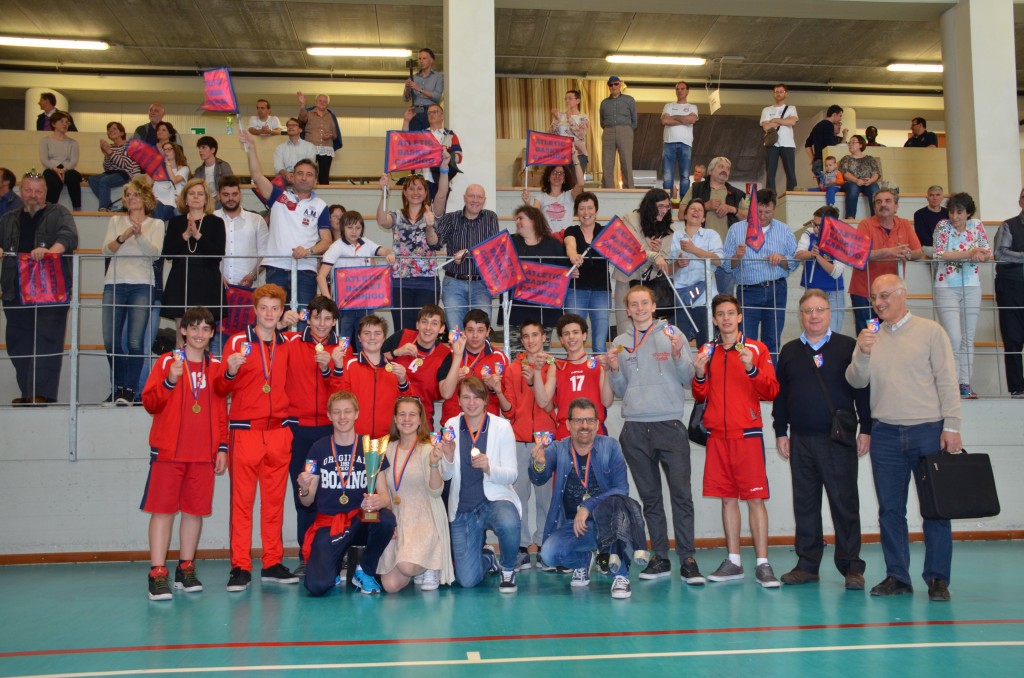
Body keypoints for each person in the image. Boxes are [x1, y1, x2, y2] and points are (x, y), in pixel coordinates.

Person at [846, 274, 962, 601]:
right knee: (890, 510)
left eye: (884, 295)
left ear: (903, 294)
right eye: (874, 297)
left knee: (936, 509)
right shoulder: (869, 336)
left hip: (928, 431)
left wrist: (952, 426)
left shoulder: (931, 331)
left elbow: (947, 380)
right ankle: (898, 576)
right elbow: (855, 381)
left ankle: (938, 579)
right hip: (884, 434)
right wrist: (863, 353)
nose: (878, 302)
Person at [772, 289, 871, 589]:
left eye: (820, 310)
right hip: (801, 440)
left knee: (845, 504)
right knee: (805, 505)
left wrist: (866, 428)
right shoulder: (789, 351)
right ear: (800, 315)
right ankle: (807, 565)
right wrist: (781, 431)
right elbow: (781, 396)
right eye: (808, 311)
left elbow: (862, 390)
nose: (814, 316)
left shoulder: (847, 346)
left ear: (829, 313)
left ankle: (852, 568)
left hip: (838, 441)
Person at [606, 286, 704, 585]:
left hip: (669, 425)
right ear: (627, 309)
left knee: (682, 496)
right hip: (635, 428)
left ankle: (687, 558)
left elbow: (689, 378)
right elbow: (621, 390)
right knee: (650, 498)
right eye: (633, 304)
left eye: (644, 303)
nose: (639, 308)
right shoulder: (620, 343)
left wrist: (677, 355)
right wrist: (614, 371)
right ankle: (660, 556)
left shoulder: (672, 334)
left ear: (653, 305)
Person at [691, 293, 781, 587]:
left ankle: (763, 563)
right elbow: (700, 394)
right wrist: (699, 374)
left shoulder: (756, 348)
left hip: (747, 434)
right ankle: (734, 561)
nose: (726, 318)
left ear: (740, 317)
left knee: (755, 499)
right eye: (721, 314)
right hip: (718, 436)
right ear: (715, 319)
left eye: (731, 313)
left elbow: (771, 391)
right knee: (728, 498)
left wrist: (752, 369)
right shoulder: (708, 350)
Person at [216, 283, 301, 591]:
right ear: (255, 310)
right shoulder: (237, 342)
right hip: (245, 432)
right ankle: (240, 566)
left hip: (278, 432)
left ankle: (272, 562)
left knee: (274, 504)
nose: (268, 313)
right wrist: (229, 372)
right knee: (242, 504)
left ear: (281, 312)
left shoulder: (287, 343)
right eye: (263, 308)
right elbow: (220, 390)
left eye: (274, 309)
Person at [139, 307, 228, 600]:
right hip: (169, 451)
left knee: (194, 511)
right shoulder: (167, 362)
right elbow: (150, 403)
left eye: (206, 329)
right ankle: (157, 572)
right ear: (183, 331)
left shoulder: (215, 367)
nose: (200, 334)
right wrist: (169, 381)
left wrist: (222, 447)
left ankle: (186, 567)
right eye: (194, 328)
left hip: (203, 453)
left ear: (212, 333)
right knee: (163, 511)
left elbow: (221, 411)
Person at [530, 397, 648, 599]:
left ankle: (621, 576)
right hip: (574, 527)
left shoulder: (610, 446)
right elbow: (538, 478)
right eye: (578, 420)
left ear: (597, 423)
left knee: (622, 515)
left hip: (608, 523)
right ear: (568, 424)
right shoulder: (558, 448)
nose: (584, 426)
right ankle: (583, 560)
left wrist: (588, 506)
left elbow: (622, 489)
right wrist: (539, 464)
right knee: (548, 555)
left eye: (590, 420)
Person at [296, 390, 396, 596]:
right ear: (329, 415)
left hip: (360, 521)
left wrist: (377, 501)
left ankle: (365, 570)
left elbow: (386, 497)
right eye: (337, 412)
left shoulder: (370, 448)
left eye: (347, 411)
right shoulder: (318, 449)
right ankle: (332, 569)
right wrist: (304, 488)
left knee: (386, 519)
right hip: (329, 524)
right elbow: (307, 502)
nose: (342, 417)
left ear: (356, 414)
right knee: (316, 586)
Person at [0, 173, 79, 404]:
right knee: (18, 344)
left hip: (50, 291)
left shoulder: (60, 213)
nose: (33, 196)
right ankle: (28, 394)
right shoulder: (8, 218)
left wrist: (51, 251)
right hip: (15, 290)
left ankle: (41, 395)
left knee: (47, 341)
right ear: (20, 191)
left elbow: (69, 237)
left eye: (38, 191)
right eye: (28, 190)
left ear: (45, 193)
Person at [439, 376, 522, 592]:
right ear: (458, 401)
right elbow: (446, 475)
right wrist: (448, 457)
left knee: (509, 522)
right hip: (463, 508)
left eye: (477, 397)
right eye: (466, 397)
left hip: (494, 501)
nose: (471, 402)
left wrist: (489, 468)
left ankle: (507, 568)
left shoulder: (502, 426)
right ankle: (489, 559)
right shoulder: (450, 425)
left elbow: (512, 475)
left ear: (485, 400)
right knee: (467, 581)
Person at [283, 295, 344, 577]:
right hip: (298, 429)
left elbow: (344, 393)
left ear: (334, 322)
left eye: (327, 318)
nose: (321, 323)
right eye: (317, 316)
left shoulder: (342, 349)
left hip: (330, 430)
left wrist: (329, 368)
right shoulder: (290, 342)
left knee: (335, 494)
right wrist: (280, 323)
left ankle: (337, 554)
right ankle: (306, 557)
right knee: (304, 493)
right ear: (308, 317)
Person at [239, 130, 331, 308]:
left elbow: (327, 240)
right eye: (300, 173)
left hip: (306, 270)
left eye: (309, 174)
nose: (304, 178)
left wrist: (309, 251)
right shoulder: (278, 196)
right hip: (276, 268)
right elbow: (257, 176)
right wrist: (251, 148)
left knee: (303, 318)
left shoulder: (320, 205)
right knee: (273, 317)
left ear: (316, 181)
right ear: (292, 176)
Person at [378, 396, 455, 592]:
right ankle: (417, 565)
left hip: (424, 518)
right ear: (395, 419)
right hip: (398, 518)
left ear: (420, 420)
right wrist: (389, 521)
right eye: (402, 414)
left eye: (412, 414)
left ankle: (430, 565)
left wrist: (434, 464)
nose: (407, 419)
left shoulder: (428, 448)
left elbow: (436, 491)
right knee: (390, 586)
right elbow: (383, 492)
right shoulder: (386, 449)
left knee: (406, 566)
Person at [500, 319, 558, 570]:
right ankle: (522, 546)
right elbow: (509, 411)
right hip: (519, 440)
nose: (531, 340)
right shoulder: (513, 369)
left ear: (544, 337)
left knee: (546, 497)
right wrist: (498, 391)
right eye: (526, 336)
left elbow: (549, 403)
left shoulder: (553, 365)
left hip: (546, 441)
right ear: (521, 340)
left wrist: (535, 377)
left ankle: (544, 543)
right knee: (519, 496)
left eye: (535, 335)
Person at [101, 178, 164, 404]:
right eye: (127, 195)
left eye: (135, 194)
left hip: (142, 285)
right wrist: (123, 237)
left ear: (145, 198)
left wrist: (138, 236)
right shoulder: (116, 220)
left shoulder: (156, 224)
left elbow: (155, 254)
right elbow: (106, 250)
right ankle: (119, 386)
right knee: (111, 341)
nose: (130, 198)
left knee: (135, 342)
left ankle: (129, 389)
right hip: (114, 283)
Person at [722, 188, 799, 355]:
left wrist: (781, 259)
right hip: (748, 291)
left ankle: (770, 372)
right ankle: (747, 372)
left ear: (774, 209)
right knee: (745, 340)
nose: (763, 216)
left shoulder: (784, 230)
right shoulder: (736, 229)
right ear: (752, 209)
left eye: (767, 212)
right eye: (759, 212)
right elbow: (727, 265)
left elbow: (794, 262)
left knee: (772, 340)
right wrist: (737, 256)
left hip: (776, 290)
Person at [932, 192, 991, 399]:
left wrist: (981, 255)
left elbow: (986, 250)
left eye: (959, 212)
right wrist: (969, 253)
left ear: (968, 213)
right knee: (954, 338)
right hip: (946, 286)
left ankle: (964, 384)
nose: (954, 216)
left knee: (968, 337)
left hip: (972, 286)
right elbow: (939, 253)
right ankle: (951, 383)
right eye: (951, 211)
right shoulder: (943, 226)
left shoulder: (977, 225)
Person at [427, 173, 498, 334]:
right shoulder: (451, 218)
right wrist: (429, 227)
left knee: (480, 333)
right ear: (464, 198)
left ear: (484, 200)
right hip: (454, 284)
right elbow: (435, 244)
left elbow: (493, 249)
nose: (475, 200)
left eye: (479, 197)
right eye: (471, 196)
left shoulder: (490, 217)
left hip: (481, 284)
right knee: (456, 333)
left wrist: (468, 252)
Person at [848, 188, 924, 333]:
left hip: (893, 294)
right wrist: (890, 251)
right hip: (867, 294)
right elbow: (858, 254)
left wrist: (908, 254)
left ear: (896, 206)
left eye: (887, 201)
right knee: (872, 335)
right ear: (874, 207)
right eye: (879, 202)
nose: (883, 204)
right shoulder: (865, 224)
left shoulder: (905, 224)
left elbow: (918, 252)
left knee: (894, 334)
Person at [316, 211, 396, 345]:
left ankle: (363, 359)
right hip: (344, 305)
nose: (354, 231)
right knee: (343, 340)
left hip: (365, 303)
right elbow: (321, 276)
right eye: (350, 227)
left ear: (362, 229)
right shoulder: (336, 247)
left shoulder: (366, 243)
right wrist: (329, 302)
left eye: (358, 228)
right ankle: (343, 359)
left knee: (365, 340)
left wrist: (390, 253)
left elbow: (385, 250)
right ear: (342, 228)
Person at [376, 173, 441, 333]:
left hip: (427, 280)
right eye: (411, 188)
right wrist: (384, 192)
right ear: (405, 192)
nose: (415, 192)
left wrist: (429, 225)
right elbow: (382, 221)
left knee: (425, 330)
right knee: (403, 330)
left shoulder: (431, 215)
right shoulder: (397, 215)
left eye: (419, 188)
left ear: (425, 192)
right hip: (400, 280)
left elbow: (433, 243)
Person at [160, 179, 226, 331]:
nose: (196, 197)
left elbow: (218, 254)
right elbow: (168, 253)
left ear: (206, 199)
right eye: (191, 193)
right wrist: (185, 235)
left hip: (207, 280)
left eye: (200, 194)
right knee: (182, 332)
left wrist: (197, 235)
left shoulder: (216, 222)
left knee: (204, 332)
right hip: (181, 280)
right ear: (185, 198)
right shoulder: (176, 222)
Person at [535, 313, 614, 440]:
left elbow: (607, 401)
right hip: (566, 432)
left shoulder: (599, 364)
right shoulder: (557, 366)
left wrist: (607, 370)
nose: (571, 337)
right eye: (566, 334)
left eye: (575, 332)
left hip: (594, 431)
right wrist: (537, 371)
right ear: (561, 339)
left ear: (584, 335)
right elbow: (543, 402)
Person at [681, 156, 748, 294]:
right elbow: (682, 213)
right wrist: (705, 206)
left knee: (725, 298)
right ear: (710, 171)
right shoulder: (696, 189)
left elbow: (750, 218)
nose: (725, 170)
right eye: (721, 167)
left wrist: (732, 209)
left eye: (728, 169)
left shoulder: (736, 193)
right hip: (699, 253)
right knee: (698, 298)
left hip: (727, 255)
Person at [337, 315, 412, 438]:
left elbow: (407, 405)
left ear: (384, 338)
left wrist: (403, 381)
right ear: (359, 337)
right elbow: (339, 401)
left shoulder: (396, 370)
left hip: (388, 437)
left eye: (377, 333)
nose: (372, 338)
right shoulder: (349, 366)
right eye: (367, 333)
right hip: (355, 436)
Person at [381, 303, 452, 427]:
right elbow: (373, 361)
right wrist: (396, 352)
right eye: (424, 322)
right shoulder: (402, 336)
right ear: (417, 324)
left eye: (434, 323)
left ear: (442, 329)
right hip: (390, 415)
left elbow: (445, 394)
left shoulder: (445, 354)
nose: (428, 328)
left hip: (422, 419)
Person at [615, 188, 674, 334]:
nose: (664, 211)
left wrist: (658, 252)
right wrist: (653, 254)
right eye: (660, 206)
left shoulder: (668, 229)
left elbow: (663, 262)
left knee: (652, 331)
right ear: (650, 205)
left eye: (667, 207)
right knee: (626, 328)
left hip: (652, 284)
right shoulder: (631, 219)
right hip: (628, 280)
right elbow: (631, 250)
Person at [436, 309, 509, 424]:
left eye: (480, 330)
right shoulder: (449, 354)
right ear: (463, 331)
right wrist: (453, 379)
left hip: (487, 424)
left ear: (488, 332)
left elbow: (506, 401)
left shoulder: (499, 357)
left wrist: (493, 389)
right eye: (470, 330)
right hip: (453, 423)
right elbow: (442, 394)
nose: (475, 335)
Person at [507, 205, 568, 342]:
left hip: (545, 312)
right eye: (517, 219)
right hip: (517, 310)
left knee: (542, 352)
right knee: (517, 352)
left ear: (533, 220)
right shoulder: (510, 242)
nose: (517, 222)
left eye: (521, 218)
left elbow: (564, 271)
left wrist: (572, 272)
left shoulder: (553, 244)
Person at [669, 198, 723, 345]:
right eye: (692, 208)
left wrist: (694, 250)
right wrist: (677, 264)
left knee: (707, 344)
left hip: (705, 298)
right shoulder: (674, 237)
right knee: (678, 343)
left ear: (704, 218)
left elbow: (719, 260)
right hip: (680, 298)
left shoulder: (711, 235)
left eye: (700, 210)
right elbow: (667, 270)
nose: (696, 212)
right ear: (685, 215)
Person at [564, 191, 612, 353]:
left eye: (590, 208)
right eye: (582, 208)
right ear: (577, 212)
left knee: (600, 343)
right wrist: (573, 256)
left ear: (596, 211)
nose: (586, 212)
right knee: (573, 339)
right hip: (576, 290)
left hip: (602, 291)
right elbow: (570, 246)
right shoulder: (571, 230)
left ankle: (600, 369)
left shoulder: (606, 232)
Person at [795, 205, 847, 332]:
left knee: (833, 334)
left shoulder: (840, 240)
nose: (815, 228)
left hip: (833, 293)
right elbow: (798, 255)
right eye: (814, 224)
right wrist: (811, 254)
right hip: (811, 291)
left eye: (820, 225)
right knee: (811, 332)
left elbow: (836, 272)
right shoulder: (809, 233)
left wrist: (818, 257)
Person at [215, 175, 268, 294]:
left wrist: (252, 275)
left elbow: (265, 254)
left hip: (249, 289)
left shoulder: (256, 220)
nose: (230, 198)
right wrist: (216, 275)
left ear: (240, 194)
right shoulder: (211, 218)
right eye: (226, 194)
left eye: (234, 194)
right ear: (218, 195)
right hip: (216, 286)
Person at [996, 188, 1024, 399]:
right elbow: (1000, 254)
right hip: (1011, 287)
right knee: (1013, 338)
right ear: (1020, 201)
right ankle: (1017, 388)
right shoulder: (1008, 225)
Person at [402, 104, 462, 200]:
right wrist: (406, 121)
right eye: (429, 113)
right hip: (421, 180)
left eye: (435, 112)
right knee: (420, 209)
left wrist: (447, 156)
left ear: (442, 116)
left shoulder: (449, 135)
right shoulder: (421, 134)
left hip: (442, 180)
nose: (431, 114)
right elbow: (405, 145)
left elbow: (459, 157)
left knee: (439, 209)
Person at [520, 149, 585, 235]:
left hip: (567, 239)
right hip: (548, 239)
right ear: (548, 176)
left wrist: (575, 159)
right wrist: (527, 203)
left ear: (564, 179)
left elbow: (581, 183)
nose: (557, 175)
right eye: (554, 172)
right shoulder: (540, 198)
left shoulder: (569, 195)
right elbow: (534, 218)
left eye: (561, 173)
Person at [89, 121, 142, 211]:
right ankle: (109, 205)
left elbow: (124, 164)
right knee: (92, 179)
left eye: (114, 128)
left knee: (104, 181)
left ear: (122, 133)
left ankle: (103, 208)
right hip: (110, 173)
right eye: (109, 129)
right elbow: (107, 168)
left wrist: (110, 152)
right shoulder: (110, 147)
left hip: (124, 174)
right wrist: (106, 155)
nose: (111, 130)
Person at [660, 81, 699, 200]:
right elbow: (665, 121)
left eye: (682, 89)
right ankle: (666, 203)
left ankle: (684, 204)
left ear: (687, 91)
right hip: (669, 143)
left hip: (686, 143)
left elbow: (692, 120)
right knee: (667, 176)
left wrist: (674, 117)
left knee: (685, 176)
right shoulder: (668, 106)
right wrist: (684, 120)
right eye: (677, 89)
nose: (679, 91)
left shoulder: (693, 107)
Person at [296, 91, 342, 185]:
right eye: (320, 100)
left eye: (325, 101)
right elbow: (301, 119)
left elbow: (335, 134)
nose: (322, 102)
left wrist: (330, 135)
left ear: (327, 104)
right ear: (316, 102)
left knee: (324, 176)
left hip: (326, 148)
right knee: (308, 172)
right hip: (310, 147)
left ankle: (324, 193)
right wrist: (303, 105)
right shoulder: (309, 113)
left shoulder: (331, 116)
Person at [599, 76, 637, 188]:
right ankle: (608, 190)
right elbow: (602, 121)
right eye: (610, 85)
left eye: (616, 84)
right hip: (608, 131)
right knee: (607, 162)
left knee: (626, 161)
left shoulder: (629, 100)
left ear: (620, 85)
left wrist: (627, 130)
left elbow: (634, 120)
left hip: (625, 130)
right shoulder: (604, 103)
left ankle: (629, 190)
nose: (613, 86)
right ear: (609, 87)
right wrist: (609, 129)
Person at [760, 84, 799, 193]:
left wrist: (775, 120)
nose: (778, 94)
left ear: (785, 94)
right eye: (776, 92)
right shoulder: (766, 110)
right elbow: (766, 127)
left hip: (788, 144)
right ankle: (771, 197)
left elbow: (792, 122)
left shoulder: (791, 108)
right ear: (774, 94)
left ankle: (791, 195)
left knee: (790, 172)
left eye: (781, 92)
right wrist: (784, 120)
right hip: (772, 144)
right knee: (770, 172)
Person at [39, 111, 82, 210]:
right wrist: (56, 169)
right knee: (53, 180)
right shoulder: (45, 141)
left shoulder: (73, 143)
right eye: (61, 121)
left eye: (67, 122)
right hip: (52, 169)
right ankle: (49, 208)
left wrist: (64, 170)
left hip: (67, 169)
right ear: (54, 124)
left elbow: (73, 161)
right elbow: (44, 160)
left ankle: (77, 207)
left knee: (73, 177)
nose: (65, 124)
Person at [838, 135, 882, 219]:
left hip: (867, 182)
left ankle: (877, 217)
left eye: (853, 142)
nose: (850, 144)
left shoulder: (870, 159)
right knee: (853, 187)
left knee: (874, 187)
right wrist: (856, 180)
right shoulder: (846, 158)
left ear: (861, 145)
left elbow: (876, 173)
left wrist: (871, 180)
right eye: (849, 142)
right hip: (851, 183)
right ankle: (850, 217)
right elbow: (845, 173)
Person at [403, 48, 445, 132]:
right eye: (419, 59)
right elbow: (405, 99)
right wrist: (407, 89)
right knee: (414, 137)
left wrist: (419, 89)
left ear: (431, 60)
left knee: (429, 137)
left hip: (430, 112)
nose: (421, 61)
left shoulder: (438, 77)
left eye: (424, 58)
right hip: (415, 111)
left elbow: (436, 96)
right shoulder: (413, 77)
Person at [549, 89, 590, 174]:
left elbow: (581, 135)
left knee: (576, 180)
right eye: (566, 99)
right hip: (561, 153)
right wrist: (556, 119)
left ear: (578, 101)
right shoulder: (560, 115)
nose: (567, 101)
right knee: (563, 180)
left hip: (578, 154)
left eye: (570, 98)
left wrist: (569, 118)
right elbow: (550, 134)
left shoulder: (583, 117)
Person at [804, 104, 847, 181]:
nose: (840, 119)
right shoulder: (829, 125)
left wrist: (813, 158)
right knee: (829, 185)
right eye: (840, 116)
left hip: (817, 163)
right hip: (825, 163)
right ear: (834, 115)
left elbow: (807, 144)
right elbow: (830, 146)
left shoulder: (817, 126)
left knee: (822, 185)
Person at [151, 142, 189, 221]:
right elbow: (147, 183)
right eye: (164, 150)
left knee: (162, 210)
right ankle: (161, 228)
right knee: (156, 205)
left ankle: (160, 228)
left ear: (176, 151)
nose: (166, 151)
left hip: (172, 204)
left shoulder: (184, 169)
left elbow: (173, 180)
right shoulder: (159, 170)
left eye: (169, 149)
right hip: (157, 202)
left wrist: (167, 163)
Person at [273, 118, 317, 183]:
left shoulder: (310, 146)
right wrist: (286, 174)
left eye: (294, 125)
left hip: (303, 178)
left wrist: (296, 175)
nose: (290, 127)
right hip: (285, 178)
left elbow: (309, 165)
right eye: (289, 125)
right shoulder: (280, 148)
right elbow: (278, 167)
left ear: (300, 130)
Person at [193, 137, 233, 203]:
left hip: (220, 201)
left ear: (213, 150)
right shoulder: (198, 170)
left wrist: (215, 199)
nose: (200, 150)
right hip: (203, 201)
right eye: (199, 148)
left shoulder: (223, 166)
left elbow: (229, 186)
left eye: (203, 147)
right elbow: (194, 188)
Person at [914, 185, 948, 254]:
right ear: (927, 198)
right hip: (928, 248)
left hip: (946, 247)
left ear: (942, 197)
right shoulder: (919, 214)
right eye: (931, 195)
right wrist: (939, 246)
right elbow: (922, 237)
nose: (935, 198)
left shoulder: (948, 212)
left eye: (938, 195)